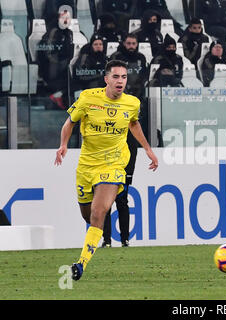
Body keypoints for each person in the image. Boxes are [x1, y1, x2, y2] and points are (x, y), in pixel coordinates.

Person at [54, 59, 158, 281]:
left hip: (114, 163)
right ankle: (101, 218)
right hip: (87, 166)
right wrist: (63, 144)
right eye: (116, 77)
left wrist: (147, 149)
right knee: (89, 215)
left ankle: (81, 263)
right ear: (106, 79)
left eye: (124, 77)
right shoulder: (88, 98)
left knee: (99, 212)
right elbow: (70, 122)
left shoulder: (132, 103)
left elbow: (133, 123)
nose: (120, 81)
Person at [101, 122, 140, 248]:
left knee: (122, 203)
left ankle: (125, 239)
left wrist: (129, 173)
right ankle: (107, 240)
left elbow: (132, 150)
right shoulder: (107, 129)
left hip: (122, 173)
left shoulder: (126, 129)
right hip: (106, 172)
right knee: (105, 206)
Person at [37, 9, 74, 110]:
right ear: (58, 19)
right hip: (52, 66)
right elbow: (47, 53)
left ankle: (61, 100)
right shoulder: (53, 32)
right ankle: (57, 99)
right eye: (63, 18)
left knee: (73, 82)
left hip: (64, 64)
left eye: (68, 18)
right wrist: (60, 62)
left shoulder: (69, 33)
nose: (66, 20)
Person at [110, 34, 148, 98]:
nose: (131, 46)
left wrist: (139, 87)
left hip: (138, 91)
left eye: (133, 44)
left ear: (137, 44)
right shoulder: (116, 56)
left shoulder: (141, 57)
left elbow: (144, 74)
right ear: (124, 43)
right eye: (129, 43)